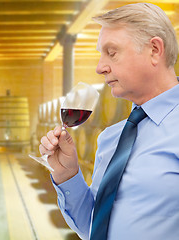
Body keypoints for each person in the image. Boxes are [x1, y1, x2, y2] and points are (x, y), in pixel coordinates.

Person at [38, 3, 179, 240]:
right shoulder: (111, 138)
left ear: (154, 50)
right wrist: (68, 175)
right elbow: (92, 227)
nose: (99, 67)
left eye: (111, 52)